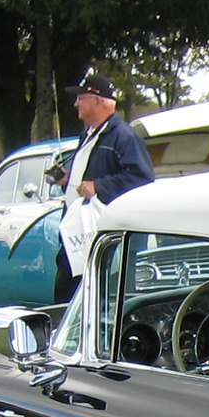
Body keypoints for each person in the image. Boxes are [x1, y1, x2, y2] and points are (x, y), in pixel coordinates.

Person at [54, 72, 155, 299]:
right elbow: (88, 178)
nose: (75, 103)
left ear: (98, 100)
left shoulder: (124, 136)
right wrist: (68, 181)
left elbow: (142, 178)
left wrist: (99, 186)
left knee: (99, 301)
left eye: (81, 98)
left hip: (104, 243)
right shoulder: (89, 135)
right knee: (66, 299)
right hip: (78, 239)